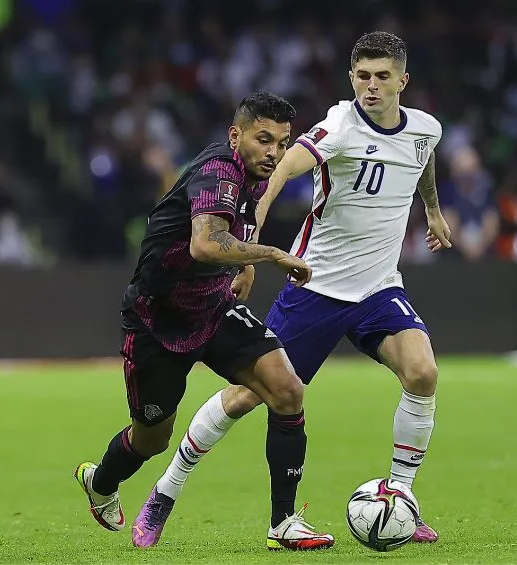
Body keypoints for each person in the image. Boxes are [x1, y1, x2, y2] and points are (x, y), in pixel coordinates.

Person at [135, 31, 451, 550]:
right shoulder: (340, 127)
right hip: (317, 287)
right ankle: (165, 493)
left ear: (403, 81)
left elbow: (424, 159)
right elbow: (285, 165)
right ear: (351, 79)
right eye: (362, 76)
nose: (370, 86)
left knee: (423, 373)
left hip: (377, 289)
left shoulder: (426, 130)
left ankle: (399, 499)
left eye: (381, 76)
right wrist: (254, 223)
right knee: (244, 398)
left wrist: (433, 211)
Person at [73, 92, 319, 546]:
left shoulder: (254, 174)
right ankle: (101, 482)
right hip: (157, 321)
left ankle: (283, 522)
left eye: (282, 144)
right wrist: (270, 255)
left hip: (214, 307)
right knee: (152, 440)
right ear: (235, 135)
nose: (274, 153)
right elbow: (205, 244)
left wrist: (242, 263)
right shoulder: (218, 171)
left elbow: (234, 228)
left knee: (287, 390)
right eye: (264, 140)